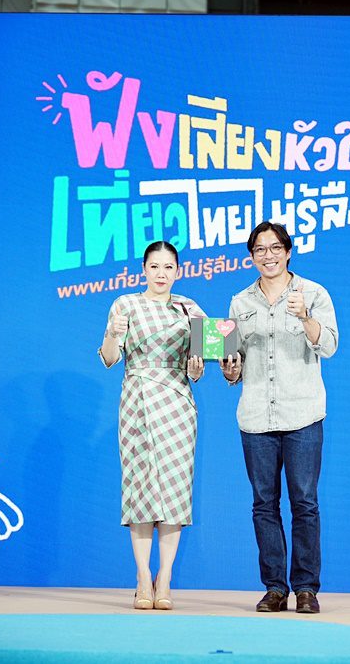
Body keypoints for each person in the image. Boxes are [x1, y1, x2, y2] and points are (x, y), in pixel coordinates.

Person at [220, 222, 338, 614]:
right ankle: (275, 587)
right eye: (259, 249)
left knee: (304, 503)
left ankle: (306, 588)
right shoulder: (240, 301)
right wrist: (230, 369)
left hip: (302, 413)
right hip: (256, 416)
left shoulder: (313, 293)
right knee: (264, 505)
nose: (267, 256)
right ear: (251, 256)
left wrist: (304, 317)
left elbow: (330, 345)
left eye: (274, 248)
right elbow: (234, 363)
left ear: (288, 252)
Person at [98, 241, 205, 610]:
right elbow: (109, 359)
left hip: (177, 401)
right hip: (138, 399)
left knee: (175, 488)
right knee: (140, 486)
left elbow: (202, 364)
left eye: (168, 267)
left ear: (178, 271)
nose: (161, 274)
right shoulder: (125, 304)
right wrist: (113, 334)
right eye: (155, 266)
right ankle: (143, 576)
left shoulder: (190, 308)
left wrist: (197, 367)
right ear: (144, 269)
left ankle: (166, 578)